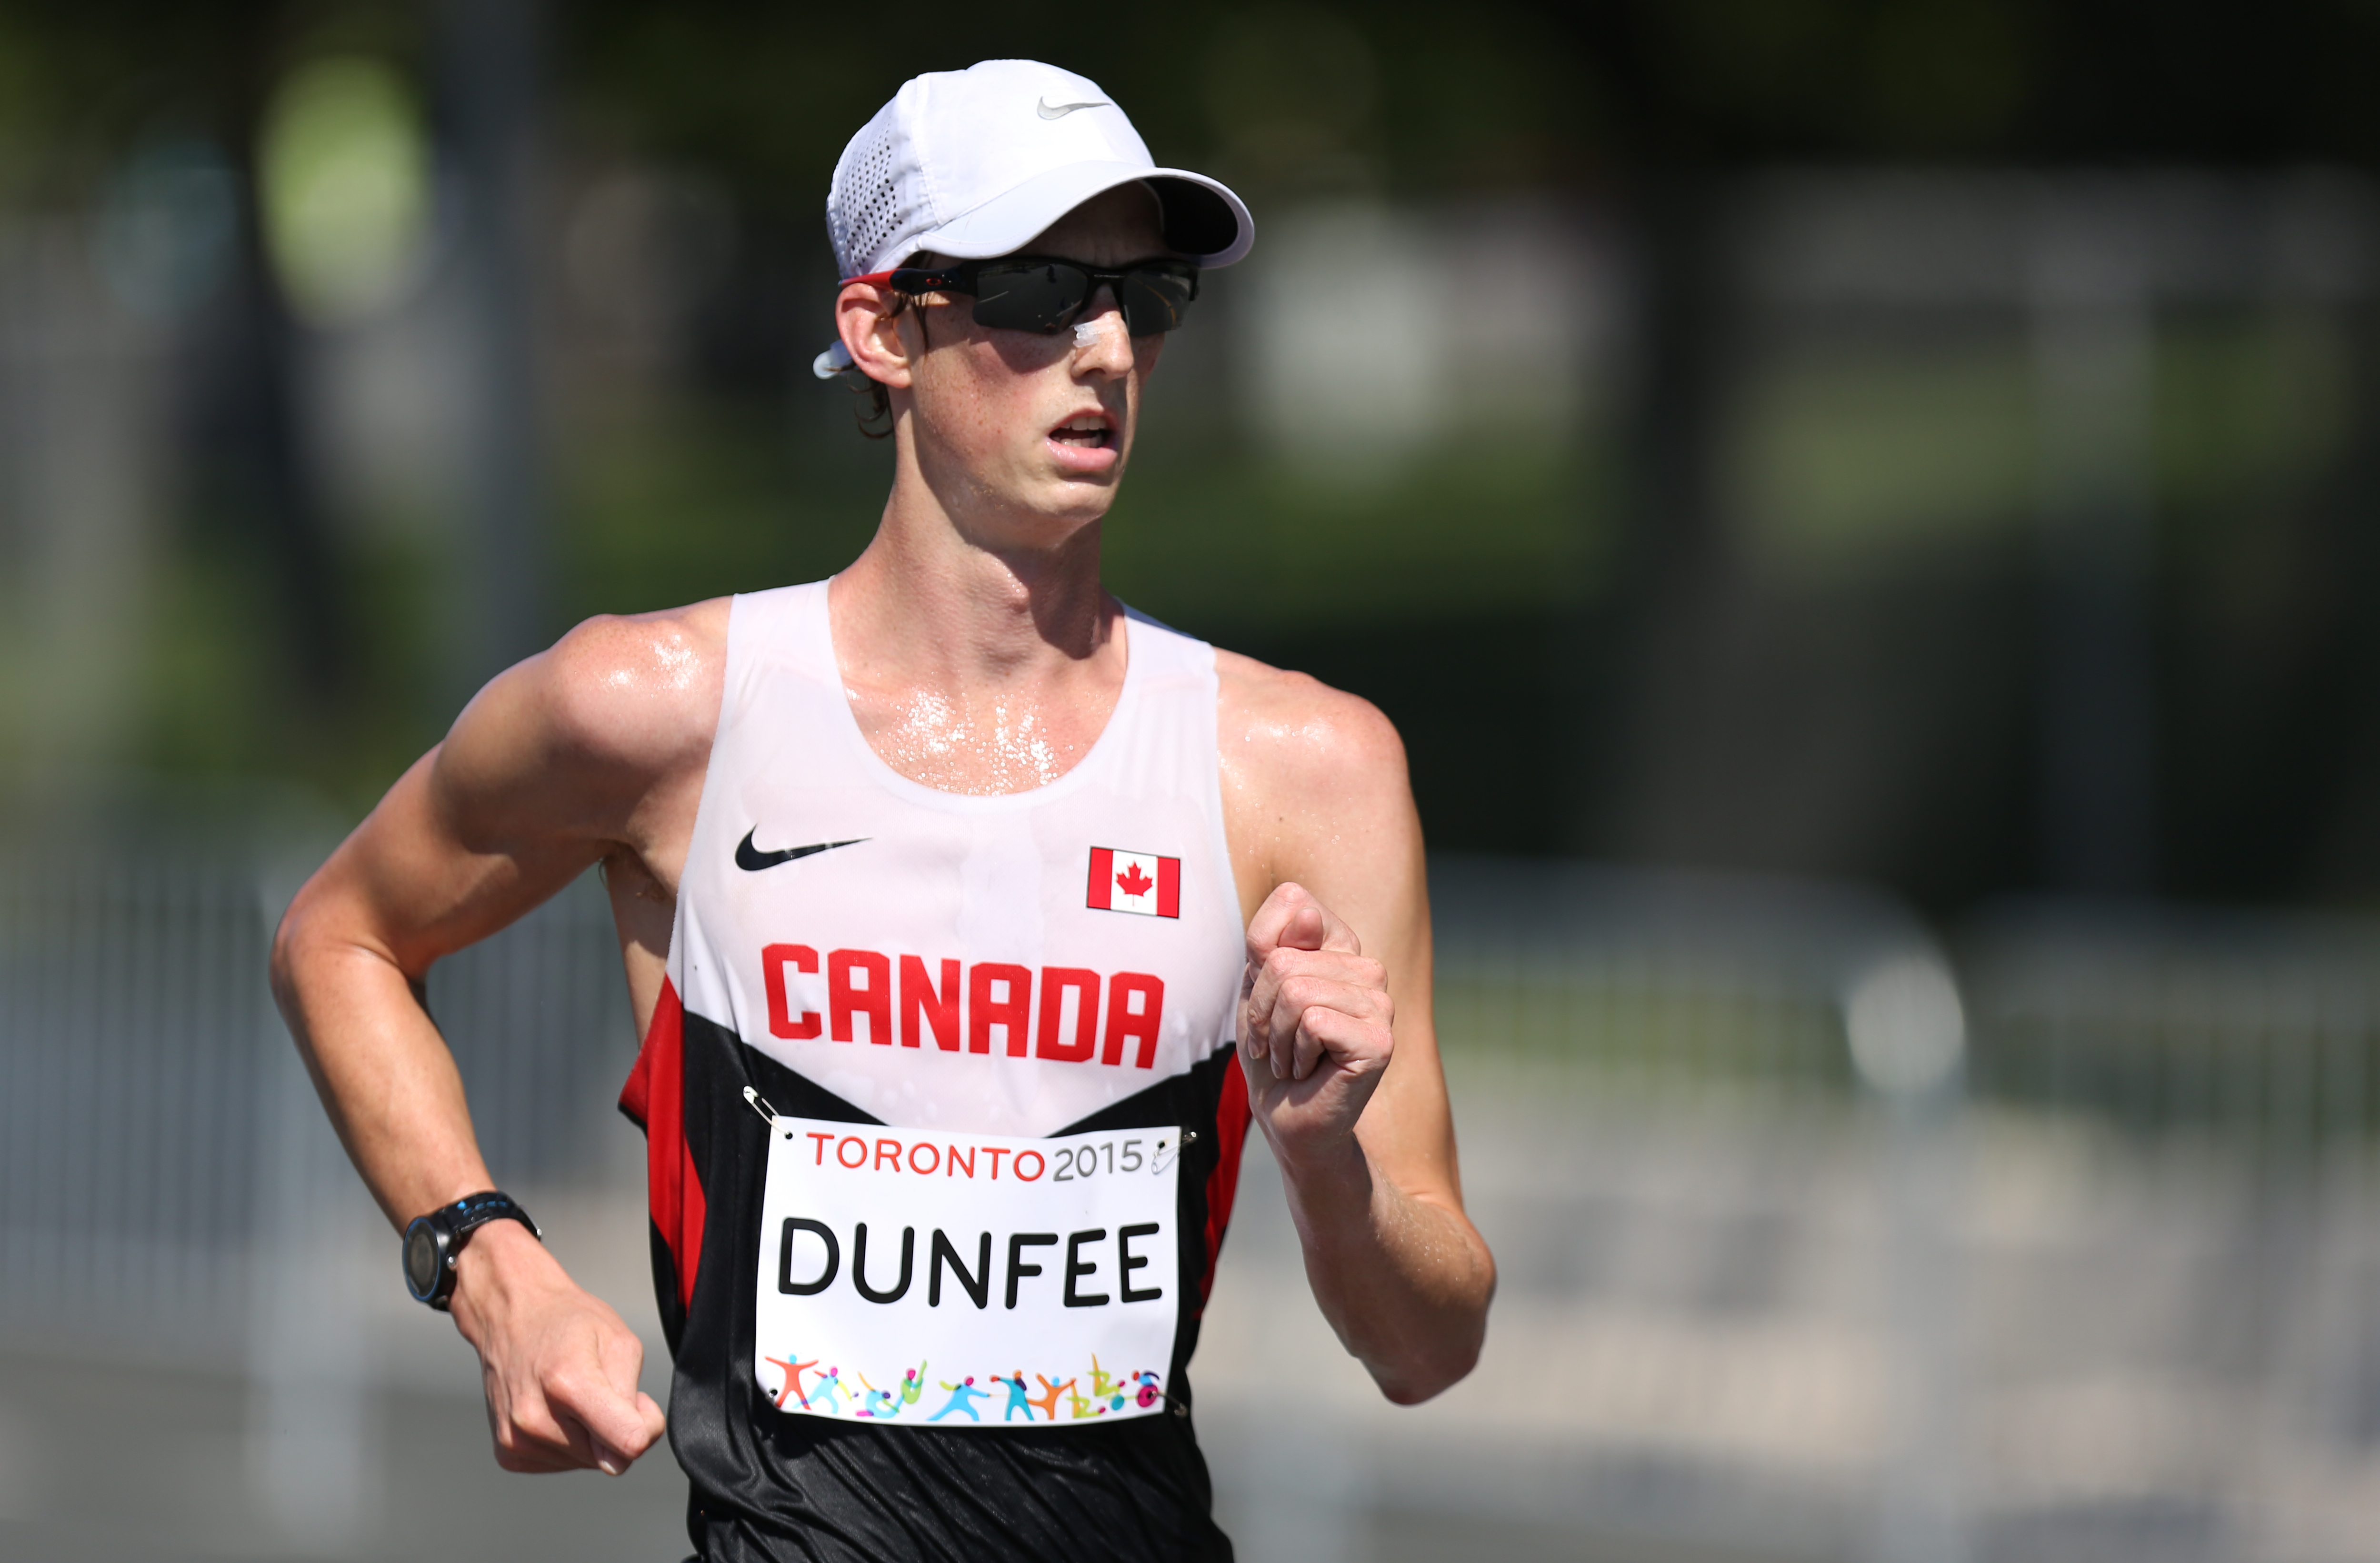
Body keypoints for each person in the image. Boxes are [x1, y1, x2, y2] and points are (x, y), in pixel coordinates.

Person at [270, 58, 1494, 1562]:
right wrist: (489, 1266)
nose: (1105, 348)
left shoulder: (1305, 764)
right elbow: (342, 940)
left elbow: (1428, 1346)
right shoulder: (657, 710)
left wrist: (1322, 1156)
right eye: (1041, 291)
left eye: (1148, 295)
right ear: (883, 327)